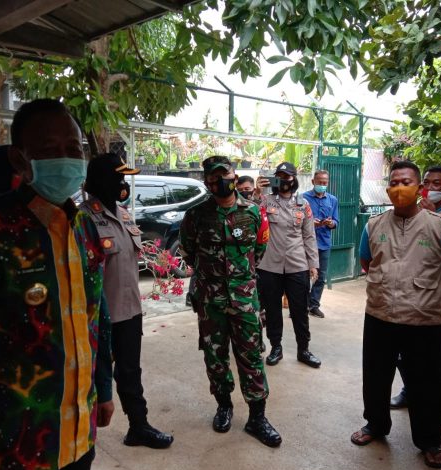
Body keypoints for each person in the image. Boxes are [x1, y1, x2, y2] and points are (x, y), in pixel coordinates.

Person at [0, 99, 114, 470]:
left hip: (80, 437)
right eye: (50, 149)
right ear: (20, 159)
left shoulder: (85, 228)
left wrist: (104, 388)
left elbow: (97, 317)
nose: (65, 158)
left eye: (73, 148)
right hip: (15, 449)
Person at [351, 160, 441, 470]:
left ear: (420, 188)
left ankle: (429, 441)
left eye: (406, 182)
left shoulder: (440, 227)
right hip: (379, 314)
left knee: (424, 382)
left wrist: (431, 293)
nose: (399, 188)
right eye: (394, 182)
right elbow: (367, 262)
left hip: (422, 319)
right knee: (376, 376)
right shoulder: (374, 225)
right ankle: (375, 425)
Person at [179, 155, 281, 447]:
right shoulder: (196, 215)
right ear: (207, 181)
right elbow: (188, 252)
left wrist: (238, 276)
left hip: (244, 299)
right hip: (210, 300)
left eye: (224, 175)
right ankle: (224, 405)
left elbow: (259, 249)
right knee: (215, 356)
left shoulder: (253, 212)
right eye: (213, 178)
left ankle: (257, 417)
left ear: (234, 177)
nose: (219, 181)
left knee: (251, 355)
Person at [80, 153, 174, 449]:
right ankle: (82, 434)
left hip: (130, 310)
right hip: (97, 316)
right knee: (88, 375)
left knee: (130, 372)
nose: (122, 184)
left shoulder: (123, 213)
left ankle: (138, 426)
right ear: (101, 180)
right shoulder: (83, 219)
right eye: (117, 177)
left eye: (124, 178)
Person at [390, 165, 441, 432]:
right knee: (402, 352)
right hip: (403, 297)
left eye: (436, 184)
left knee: (438, 356)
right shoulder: (404, 211)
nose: (429, 188)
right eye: (426, 182)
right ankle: (409, 391)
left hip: (436, 302)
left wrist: (430, 216)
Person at [255, 162, 321, 368]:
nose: (283, 180)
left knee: (300, 310)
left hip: (297, 265)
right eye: (279, 176)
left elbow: (309, 236)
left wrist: (313, 264)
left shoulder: (303, 205)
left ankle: (304, 350)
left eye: (287, 176)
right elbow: (249, 214)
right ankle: (276, 347)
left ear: (294, 179)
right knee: (273, 309)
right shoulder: (265, 201)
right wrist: (256, 193)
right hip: (270, 265)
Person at [302, 169, 339, 318]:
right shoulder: (303, 198)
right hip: (305, 243)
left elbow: (336, 221)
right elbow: (296, 220)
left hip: (324, 243)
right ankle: (301, 306)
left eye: (325, 182)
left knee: (321, 277)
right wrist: (310, 223)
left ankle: (314, 305)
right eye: (320, 182)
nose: (322, 185)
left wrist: (330, 223)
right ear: (313, 182)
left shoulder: (333, 200)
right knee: (303, 276)